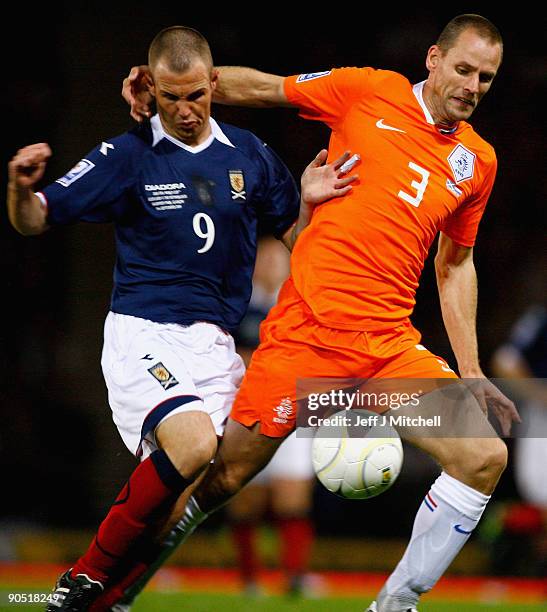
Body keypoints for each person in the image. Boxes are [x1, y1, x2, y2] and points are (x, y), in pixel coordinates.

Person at [115, 14, 522, 612]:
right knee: (219, 479)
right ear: (434, 59)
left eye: (486, 77)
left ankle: (393, 606)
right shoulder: (368, 90)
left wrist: (471, 367)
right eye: (463, 69)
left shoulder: (477, 162)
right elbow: (268, 87)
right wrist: (175, 82)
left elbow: (456, 265)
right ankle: (112, 594)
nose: (473, 85)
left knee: (484, 455)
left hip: (386, 348)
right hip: (305, 337)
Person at [7, 26, 355, 612]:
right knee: (191, 444)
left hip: (215, 346)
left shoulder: (248, 154)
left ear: (214, 84)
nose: (186, 110)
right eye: (171, 98)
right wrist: (20, 192)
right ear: (150, 90)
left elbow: (293, 236)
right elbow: (35, 219)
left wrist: (309, 206)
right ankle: (83, 579)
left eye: (196, 95)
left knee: (200, 490)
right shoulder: (128, 154)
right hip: (145, 330)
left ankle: (105, 602)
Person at [228, 237, 315, 596]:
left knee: (293, 495)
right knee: (247, 497)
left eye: (277, 258)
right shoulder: (236, 304)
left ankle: (295, 577)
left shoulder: (302, 301)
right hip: (248, 409)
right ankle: (249, 579)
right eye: (265, 258)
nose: (270, 264)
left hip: (295, 407)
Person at [491, 303, 547, 576]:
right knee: (540, 496)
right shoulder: (540, 319)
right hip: (543, 420)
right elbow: (505, 361)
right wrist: (539, 395)